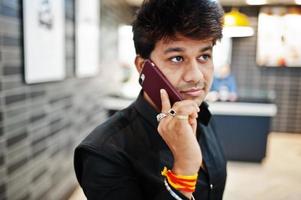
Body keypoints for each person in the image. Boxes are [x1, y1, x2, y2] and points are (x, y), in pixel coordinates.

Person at [74, 0, 227, 199]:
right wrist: (184, 171)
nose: (196, 76)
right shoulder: (104, 152)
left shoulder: (203, 116)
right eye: (177, 58)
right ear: (142, 66)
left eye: (204, 56)